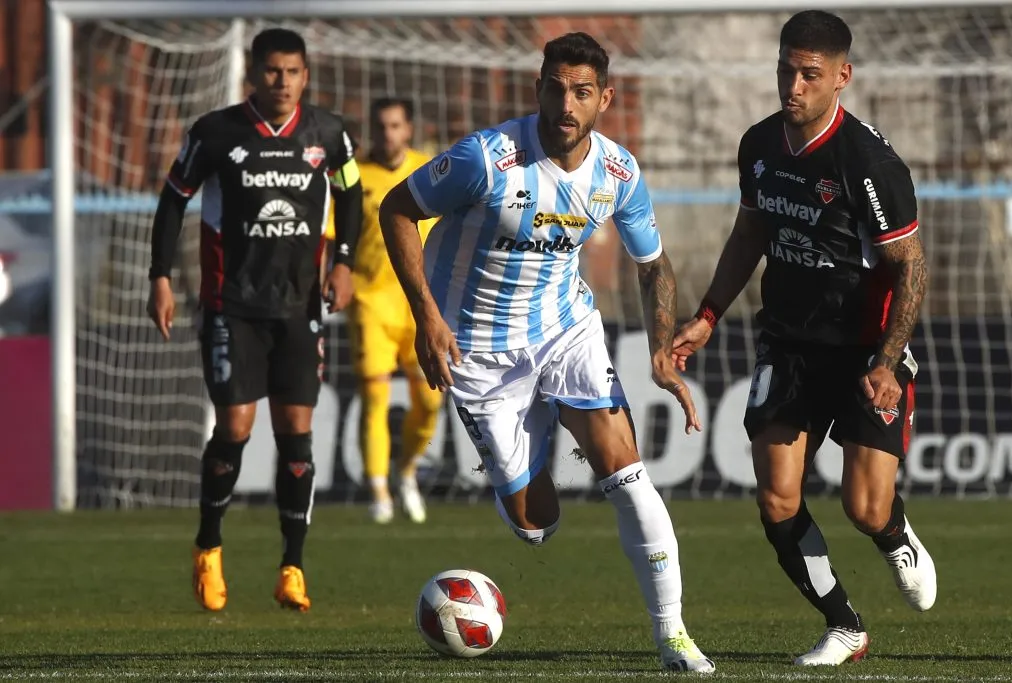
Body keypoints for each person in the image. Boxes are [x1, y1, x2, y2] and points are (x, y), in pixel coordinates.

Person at [378, 32, 715, 673]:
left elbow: (653, 267)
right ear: (538, 89)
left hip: (564, 331)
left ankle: (672, 635)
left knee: (627, 473)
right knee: (537, 524)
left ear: (604, 99)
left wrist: (662, 353)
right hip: (476, 353)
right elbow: (396, 209)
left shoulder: (618, 173)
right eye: (556, 88)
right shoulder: (488, 158)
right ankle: (533, 445)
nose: (567, 103)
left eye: (582, 92)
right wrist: (426, 317)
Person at [673, 10, 936, 666]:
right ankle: (845, 624)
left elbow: (912, 266)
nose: (793, 85)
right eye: (786, 70)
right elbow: (750, 235)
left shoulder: (869, 163)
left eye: (809, 75)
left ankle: (894, 532)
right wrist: (707, 313)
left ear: (842, 78)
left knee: (864, 506)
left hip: (864, 345)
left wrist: (884, 361)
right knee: (775, 495)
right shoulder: (760, 146)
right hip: (789, 339)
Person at [147, 27, 362, 613]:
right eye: (272, 71)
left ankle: (292, 566)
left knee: (296, 440)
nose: (282, 82)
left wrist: (344, 262)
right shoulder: (216, 134)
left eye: (293, 71)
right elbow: (173, 199)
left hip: (299, 307)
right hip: (230, 306)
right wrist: (160, 276)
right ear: (252, 73)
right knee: (236, 429)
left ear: (306, 75)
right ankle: (208, 547)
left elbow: (351, 197)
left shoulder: (329, 135)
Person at [324, 98, 442, 524]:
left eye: (395, 126)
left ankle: (406, 472)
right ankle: (379, 494)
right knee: (374, 397)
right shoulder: (354, 173)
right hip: (371, 303)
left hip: (423, 305)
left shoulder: (432, 169)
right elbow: (333, 233)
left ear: (408, 130)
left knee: (429, 402)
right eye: (381, 126)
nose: (388, 134)